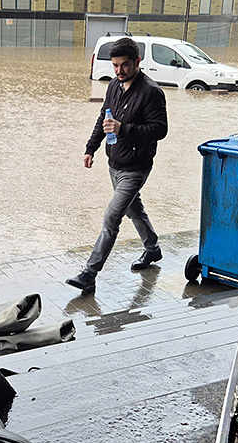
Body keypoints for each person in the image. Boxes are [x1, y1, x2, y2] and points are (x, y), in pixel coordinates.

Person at [66, 37, 168, 293]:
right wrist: (91, 148)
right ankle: (152, 249)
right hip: (115, 163)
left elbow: (160, 129)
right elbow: (104, 116)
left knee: (112, 216)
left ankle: (89, 274)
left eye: (124, 65)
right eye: (115, 66)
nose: (119, 71)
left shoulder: (151, 91)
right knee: (134, 210)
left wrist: (125, 129)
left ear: (137, 62)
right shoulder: (114, 85)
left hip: (136, 166)